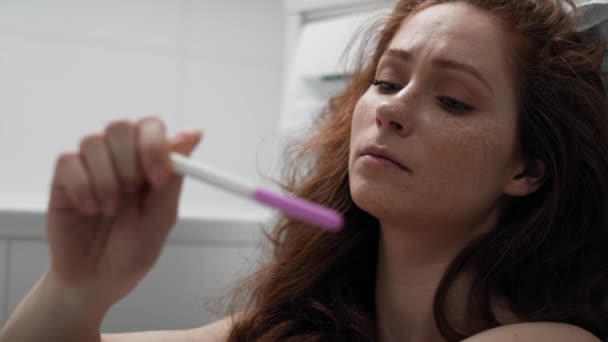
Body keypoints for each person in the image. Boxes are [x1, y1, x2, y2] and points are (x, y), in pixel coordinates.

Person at [2, 0, 608, 341]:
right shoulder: (287, 328)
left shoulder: (546, 340)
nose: (392, 108)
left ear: (527, 169)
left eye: (453, 100)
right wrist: (78, 284)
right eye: (387, 81)